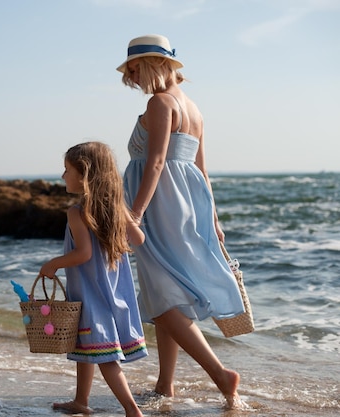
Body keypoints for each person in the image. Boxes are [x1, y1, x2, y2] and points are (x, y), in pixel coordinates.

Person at [117, 34, 245, 409]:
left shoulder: (160, 103)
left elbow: (156, 162)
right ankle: (165, 384)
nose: (134, 79)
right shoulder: (195, 108)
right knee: (168, 293)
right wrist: (214, 219)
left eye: (135, 70)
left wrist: (135, 213)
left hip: (158, 205)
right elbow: (202, 172)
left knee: (161, 296)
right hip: (185, 204)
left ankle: (221, 374)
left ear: (155, 64)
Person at [39, 141, 147, 417]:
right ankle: (80, 401)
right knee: (88, 348)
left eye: (67, 170)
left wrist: (53, 264)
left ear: (84, 174)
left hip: (91, 295)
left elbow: (83, 254)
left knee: (105, 357)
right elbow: (139, 239)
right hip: (114, 291)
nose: (63, 176)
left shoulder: (77, 212)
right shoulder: (114, 208)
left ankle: (132, 410)